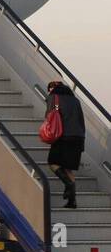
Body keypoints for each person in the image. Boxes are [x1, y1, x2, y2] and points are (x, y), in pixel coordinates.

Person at [45, 80, 85, 209]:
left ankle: (68, 185)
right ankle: (72, 201)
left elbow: (48, 116)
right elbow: (81, 121)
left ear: (53, 89)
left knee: (53, 163)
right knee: (68, 168)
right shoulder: (76, 101)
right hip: (78, 137)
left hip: (63, 136)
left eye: (49, 89)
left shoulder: (53, 98)